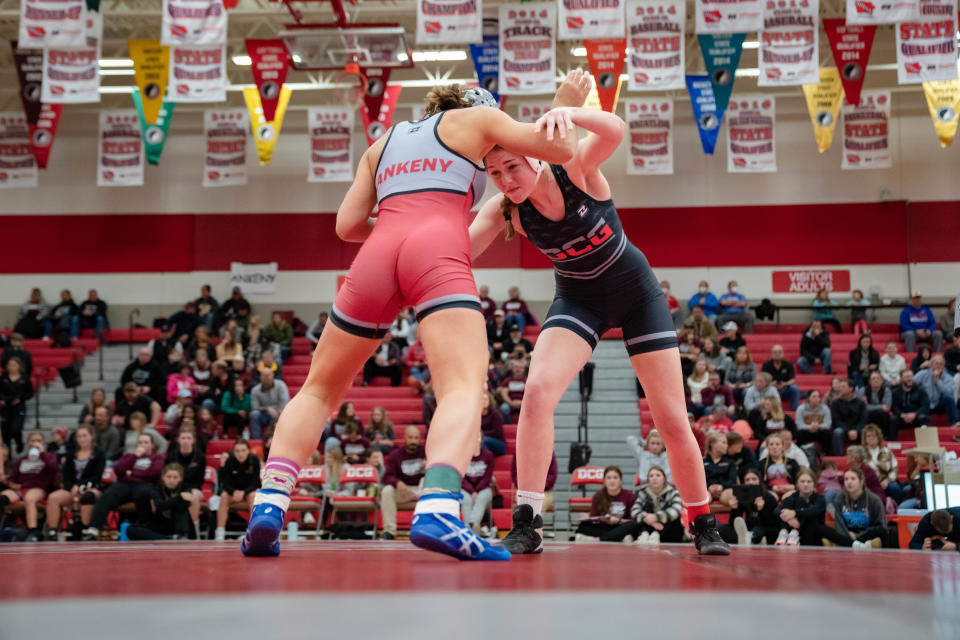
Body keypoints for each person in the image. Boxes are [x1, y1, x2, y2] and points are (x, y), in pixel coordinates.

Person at [240, 82, 581, 561]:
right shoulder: (477, 121)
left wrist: (398, 226)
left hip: (377, 255)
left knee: (318, 389)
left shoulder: (383, 143)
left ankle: (269, 506)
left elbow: (346, 227)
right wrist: (565, 103)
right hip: (437, 246)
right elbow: (560, 149)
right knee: (463, 388)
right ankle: (438, 509)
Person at [466, 86, 725, 551]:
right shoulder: (506, 209)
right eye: (494, 172)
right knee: (538, 392)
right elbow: (459, 251)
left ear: (536, 158)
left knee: (670, 417)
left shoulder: (573, 168)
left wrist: (568, 112)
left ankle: (703, 522)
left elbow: (616, 130)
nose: (505, 180)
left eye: (513, 166)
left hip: (636, 294)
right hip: (579, 299)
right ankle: (527, 520)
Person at [43, 425, 106, 540]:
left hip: (91, 487)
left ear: (91, 436)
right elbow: (66, 476)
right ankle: (52, 531)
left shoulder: (99, 454)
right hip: (72, 489)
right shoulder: (71, 454)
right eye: (79, 436)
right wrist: (71, 487)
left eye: (84, 436)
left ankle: (87, 530)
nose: (82, 439)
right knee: (53, 497)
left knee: (88, 496)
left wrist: (79, 486)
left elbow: (97, 477)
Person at [0, 431, 59, 541]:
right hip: (21, 488)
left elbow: (54, 469)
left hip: (39, 489)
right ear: (28, 443)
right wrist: (10, 483)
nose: (35, 443)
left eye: (38, 441)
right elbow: (13, 478)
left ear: (43, 443)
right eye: (32, 441)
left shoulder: (49, 457)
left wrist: (42, 453)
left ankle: (33, 531)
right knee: (3, 497)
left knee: (29, 498)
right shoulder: (22, 460)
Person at [379, 426, 427, 541]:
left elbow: (439, 470)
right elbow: (387, 476)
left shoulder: (427, 452)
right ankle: (389, 531)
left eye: (416, 438)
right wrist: (398, 482)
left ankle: (428, 531)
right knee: (387, 491)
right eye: (410, 438)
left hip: (423, 489)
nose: (413, 441)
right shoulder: (395, 455)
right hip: (405, 490)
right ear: (404, 438)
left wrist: (429, 465)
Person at [123, 463, 192, 541]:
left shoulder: (186, 488)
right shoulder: (156, 489)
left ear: (180, 479)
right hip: (160, 526)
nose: (171, 480)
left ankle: (181, 536)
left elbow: (187, 504)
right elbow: (160, 506)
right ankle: (168, 539)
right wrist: (179, 497)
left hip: (178, 526)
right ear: (163, 477)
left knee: (181, 505)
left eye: (175, 477)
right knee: (130, 530)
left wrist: (178, 499)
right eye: (168, 477)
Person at [822, 468, 887, 549]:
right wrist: (848, 535)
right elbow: (839, 524)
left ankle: (853, 544)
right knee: (823, 530)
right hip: (846, 536)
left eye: (853, 479)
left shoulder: (874, 499)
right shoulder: (839, 498)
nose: (849, 482)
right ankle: (856, 545)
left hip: (866, 535)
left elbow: (881, 525)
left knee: (881, 531)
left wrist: (857, 535)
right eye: (846, 479)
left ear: (861, 481)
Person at [573, 466, 637, 543]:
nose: (612, 481)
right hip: (604, 526)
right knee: (582, 527)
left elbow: (633, 520)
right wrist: (587, 518)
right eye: (608, 478)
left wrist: (618, 520)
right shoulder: (598, 496)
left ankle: (599, 540)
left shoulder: (630, 496)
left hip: (621, 525)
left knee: (633, 525)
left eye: (615, 478)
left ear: (620, 480)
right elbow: (594, 517)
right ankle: (619, 538)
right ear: (604, 481)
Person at [214, 439, 261, 541]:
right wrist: (234, 492)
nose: (240, 454)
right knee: (224, 496)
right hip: (234, 493)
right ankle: (220, 532)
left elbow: (256, 483)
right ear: (234, 452)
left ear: (248, 451)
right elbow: (225, 484)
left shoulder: (254, 461)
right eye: (237, 451)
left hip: (249, 492)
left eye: (243, 450)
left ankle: (254, 530)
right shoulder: (229, 462)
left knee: (253, 496)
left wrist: (244, 492)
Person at [164, 426, 205, 536]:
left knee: (194, 496)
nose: (186, 441)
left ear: (193, 440)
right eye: (183, 438)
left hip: (193, 487)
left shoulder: (200, 457)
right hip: (174, 487)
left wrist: (190, 490)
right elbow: (166, 476)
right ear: (178, 440)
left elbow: (199, 481)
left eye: (188, 438)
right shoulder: (171, 455)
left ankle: (194, 529)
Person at [725, 468, 779, 545]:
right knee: (722, 529)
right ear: (744, 482)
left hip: (767, 529)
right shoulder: (742, 496)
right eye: (747, 480)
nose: (751, 482)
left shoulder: (768, 497)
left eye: (754, 479)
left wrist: (761, 509)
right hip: (749, 529)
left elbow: (774, 523)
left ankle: (750, 538)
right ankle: (749, 538)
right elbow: (734, 523)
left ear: (759, 481)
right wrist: (734, 509)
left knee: (758, 531)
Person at [630, 466, 683, 545]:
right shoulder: (643, 492)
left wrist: (656, 517)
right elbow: (634, 510)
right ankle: (645, 533)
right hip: (649, 529)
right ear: (648, 480)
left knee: (671, 511)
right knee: (646, 506)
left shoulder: (673, 492)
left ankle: (656, 534)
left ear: (664, 479)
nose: (654, 478)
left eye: (658, 475)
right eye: (651, 476)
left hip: (669, 532)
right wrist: (649, 520)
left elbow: (677, 510)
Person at [774, 468, 826, 546]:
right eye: (802, 481)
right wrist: (789, 519)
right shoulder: (792, 497)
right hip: (792, 537)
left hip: (812, 535)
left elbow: (813, 511)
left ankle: (794, 532)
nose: (805, 484)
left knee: (801, 502)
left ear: (814, 484)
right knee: (789, 501)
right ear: (797, 484)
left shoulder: (820, 498)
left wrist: (794, 513)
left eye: (809, 481)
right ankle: (784, 532)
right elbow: (776, 510)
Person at [461, 435, 495, 534]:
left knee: (481, 498)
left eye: (478, 437)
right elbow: (461, 477)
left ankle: (471, 525)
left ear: (481, 440)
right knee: (465, 499)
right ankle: (472, 528)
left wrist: (477, 491)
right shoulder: (462, 455)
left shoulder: (488, 455)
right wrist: (472, 492)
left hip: (484, 488)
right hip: (466, 488)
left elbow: (487, 477)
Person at [861, 424, 901, 503]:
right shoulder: (861, 453)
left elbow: (894, 469)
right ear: (865, 439)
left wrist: (887, 480)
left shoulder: (887, 452)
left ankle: (896, 509)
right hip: (868, 483)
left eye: (873, 436)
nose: (871, 438)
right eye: (868, 436)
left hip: (886, 481)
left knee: (894, 487)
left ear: (878, 437)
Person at [0, 357, 34, 455]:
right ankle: (8, 456)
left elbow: (30, 393)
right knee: (6, 433)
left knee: (16, 429)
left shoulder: (24, 378)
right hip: (6, 407)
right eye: (9, 365)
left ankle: (19, 443)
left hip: (19, 406)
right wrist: (2, 400)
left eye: (14, 365)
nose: (11, 367)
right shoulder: (3, 378)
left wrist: (20, 398)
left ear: (19, 366)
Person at [914, 355, 958, 426]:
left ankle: (953, 423)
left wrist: (937, 380)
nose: (938, 366)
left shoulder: (948, 377)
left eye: (941, 364)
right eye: (936, 364)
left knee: (948, 398)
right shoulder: (923, 374)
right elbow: (912, 384)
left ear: (944, 366)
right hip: (925, 403)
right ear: (931, 365)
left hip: (939, 404)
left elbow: (948, 392)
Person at [249, 368, 290, 439]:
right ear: (260, 377)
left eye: (269, 375)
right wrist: (267, 409)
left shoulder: (281, 385)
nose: (268, 377)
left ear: (273, 375)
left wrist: (278, 414)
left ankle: (285, 439)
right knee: (254, 414)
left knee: (287, 413)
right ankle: (257, 441)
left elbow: (285, 403)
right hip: (264, 414)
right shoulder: (255, 390)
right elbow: (254, 407)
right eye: (265, 376)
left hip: (280, 413)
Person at [890, 369, 929, 441]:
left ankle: (925, 444)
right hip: (902, 418)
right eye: (907, 377)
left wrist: (915, 414)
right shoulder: (895, 392)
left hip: (916, 417)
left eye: (911, 376)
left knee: (924, 418)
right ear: (901, 378)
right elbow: (893, 407)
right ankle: (892, 444)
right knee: (892, 420)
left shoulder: (920, 390)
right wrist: (901, 415)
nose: (909, 379)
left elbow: (925, 406)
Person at [831, 378, 868, 454]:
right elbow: (836, 421)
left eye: (843, 387)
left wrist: (856, 430)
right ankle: (838, 457)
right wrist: (848, 431)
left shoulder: (860, 403)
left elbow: (863, 420)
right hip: (843, 429)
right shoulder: (835, 403)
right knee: (837, 432)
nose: (840, 389)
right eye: (840, 387)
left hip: (857, 429)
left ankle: (866, 457)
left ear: (851, 389)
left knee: (866, 431)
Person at [758, 435, 799, 500]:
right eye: (771, 444)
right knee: (772, 498)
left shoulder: (792, 462)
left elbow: (799, 478)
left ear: (782, 447)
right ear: (768, 447)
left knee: (787, 497)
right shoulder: (762, 464)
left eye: (777, 444)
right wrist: (772, 488)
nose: (774, 447)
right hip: (770, 490)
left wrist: (793, 486)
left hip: (789, 490)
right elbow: (759, 482)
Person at [703, 432, 737, 506]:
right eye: (723, 443)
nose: (726, 446)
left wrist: (722, 487)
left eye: (727, 443)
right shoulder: (701, 461)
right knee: (703, 497)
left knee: (732, 495)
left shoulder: (730, 462)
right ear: (713, 444)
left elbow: (733, 480)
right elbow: (697, 480)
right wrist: (709, 487)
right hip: (706, 490)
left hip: (725, 490)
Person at [761, 345, 799, 410]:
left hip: (784, 389)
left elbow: (793, 380)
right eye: (775, 352)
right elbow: (763, 381)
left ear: (783, 353)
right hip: (771, 390)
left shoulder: (788, 364)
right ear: (772, 353)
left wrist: (784, 384)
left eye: (779, 352)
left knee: (794, 388)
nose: (777, 354)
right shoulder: (766, 365)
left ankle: (794, 410)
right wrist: (771, 384)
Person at [858, 371, 893, 437]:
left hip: (881, 415)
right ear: (869, 381)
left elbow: (887, 407)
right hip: (868, 415)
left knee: (883, 414)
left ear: (882, 381)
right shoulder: (863, 390)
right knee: (864, 414)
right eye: (873, 379)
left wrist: (869, 406)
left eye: (878, 378)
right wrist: (881, 406)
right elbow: (862, 407)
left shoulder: (886, 390)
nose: (876, 380)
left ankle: (884, 437)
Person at [496, 358, 528, 424]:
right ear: (512, 368)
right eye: (516, 367)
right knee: (504, 408)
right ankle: (508, 426)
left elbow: (530, 395)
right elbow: (503, 393)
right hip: (509, 403)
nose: (518, 369)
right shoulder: (507, 380)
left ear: (524, 369)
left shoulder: (528, 381)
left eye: (520, 367)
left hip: (524, 403)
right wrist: (511, 402)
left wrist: (522, 403)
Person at [480, 390, 506, 456]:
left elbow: (497, 432)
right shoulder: (476, 415)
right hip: (482, 440)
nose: (484, 402)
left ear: (490, 401)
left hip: (498, 443)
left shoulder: (495, 414)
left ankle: (485, 462)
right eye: (481, 399)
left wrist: (481, 434)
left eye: (486, 399)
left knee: (484, 441)